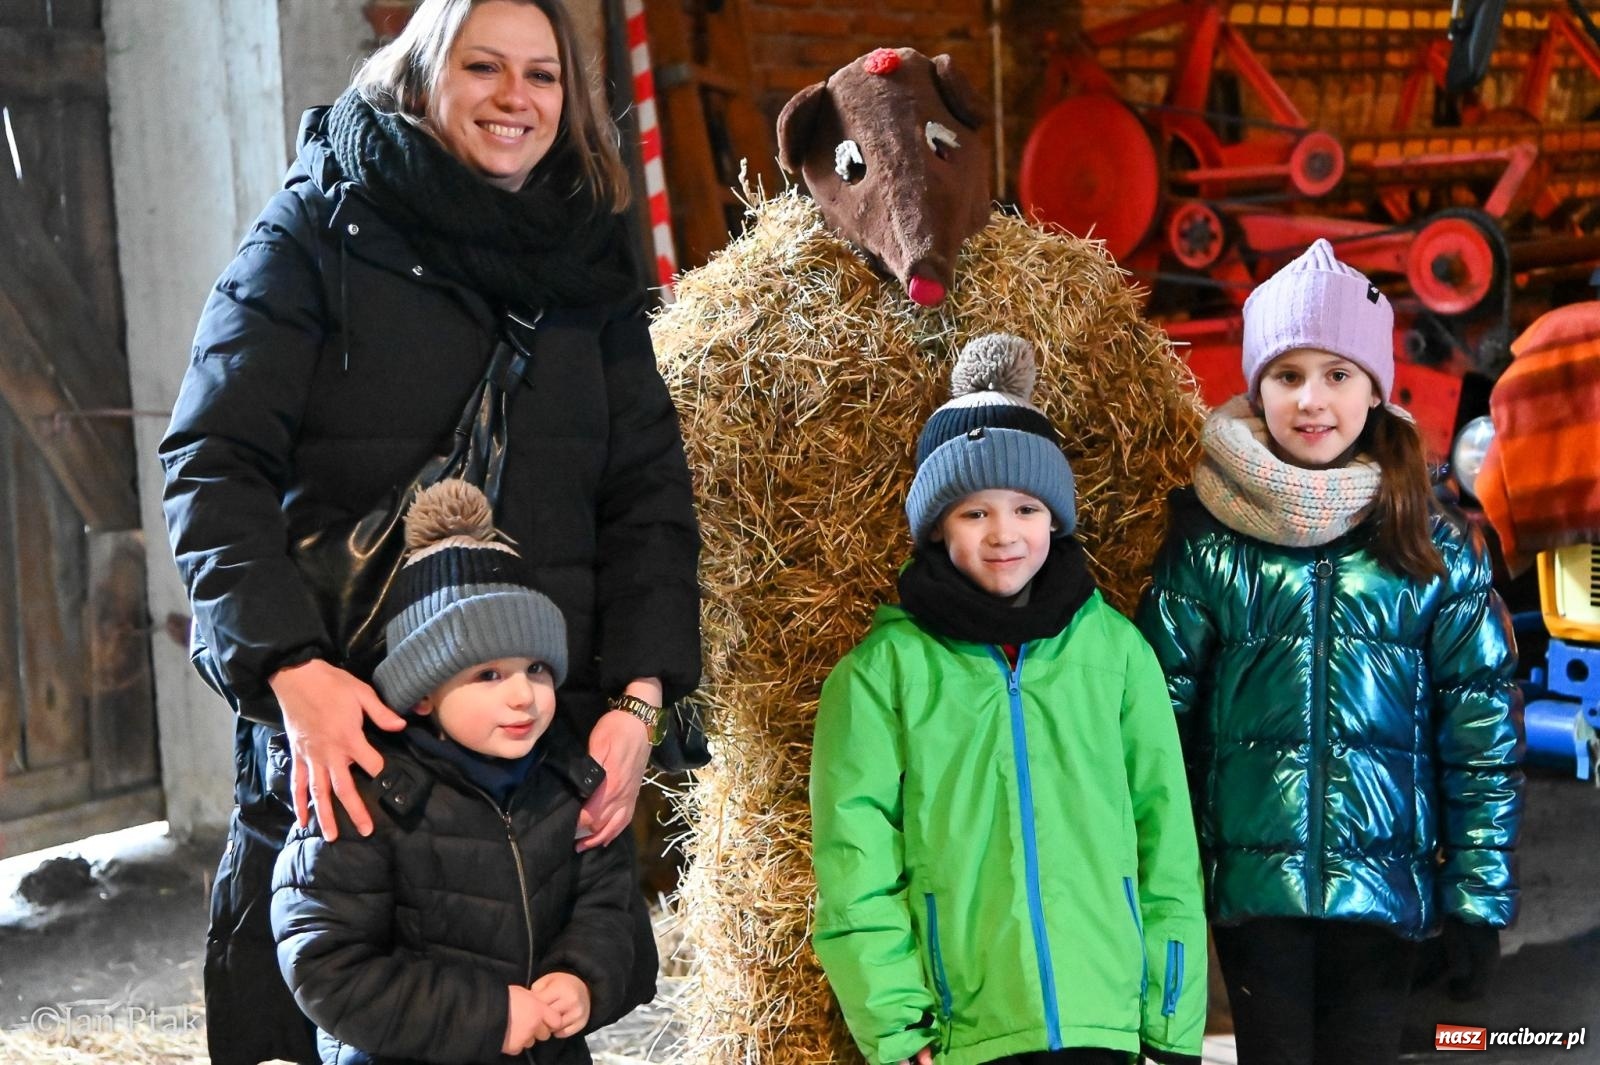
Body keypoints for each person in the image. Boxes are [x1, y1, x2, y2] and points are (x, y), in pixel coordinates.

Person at [160, 2, 701, 1061]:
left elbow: (647, 501)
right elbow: (210, 462)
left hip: (529, 760)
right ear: (419, 72)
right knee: (344, 1011)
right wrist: (285, 669)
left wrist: (640, 701)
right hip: (355, 745)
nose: (515, 98)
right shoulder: (319, 229)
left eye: (542, 76)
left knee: (533, 1025)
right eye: (483, 65)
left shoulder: (584, 264)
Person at [1134, 238, 1523, 1065]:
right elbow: (1154, 721)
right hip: (1253, 899)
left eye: (1338, 375)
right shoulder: (1209, 541)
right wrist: (1156, 880)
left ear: (1376, 389)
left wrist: (1478, 899)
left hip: (1383, 899)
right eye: (1287, 375)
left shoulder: (1432, 548)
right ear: (1256, 386)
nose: (1312, 400)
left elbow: (1481, 734)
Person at [809, 333, 1207, 1065]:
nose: (1003, 534)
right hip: (968, 1033)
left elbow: (1165, 841)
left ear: (1055, 519)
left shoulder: (1117, 655)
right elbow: (854, 864)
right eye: (973, 513)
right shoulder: (880, 675)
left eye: (1026, 507)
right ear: (935, 526)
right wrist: (896, 1024)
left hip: (1105, 1024)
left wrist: (1171, 1015)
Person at [272, 481, 643, 1065]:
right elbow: (325, 964)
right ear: (421, 694)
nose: (524, 694)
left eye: (537, 668)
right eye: (489, 675)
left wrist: (582, 980)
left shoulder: (569, 783)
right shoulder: (363, 795)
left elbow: (610, 911)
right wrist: (490, 1017)